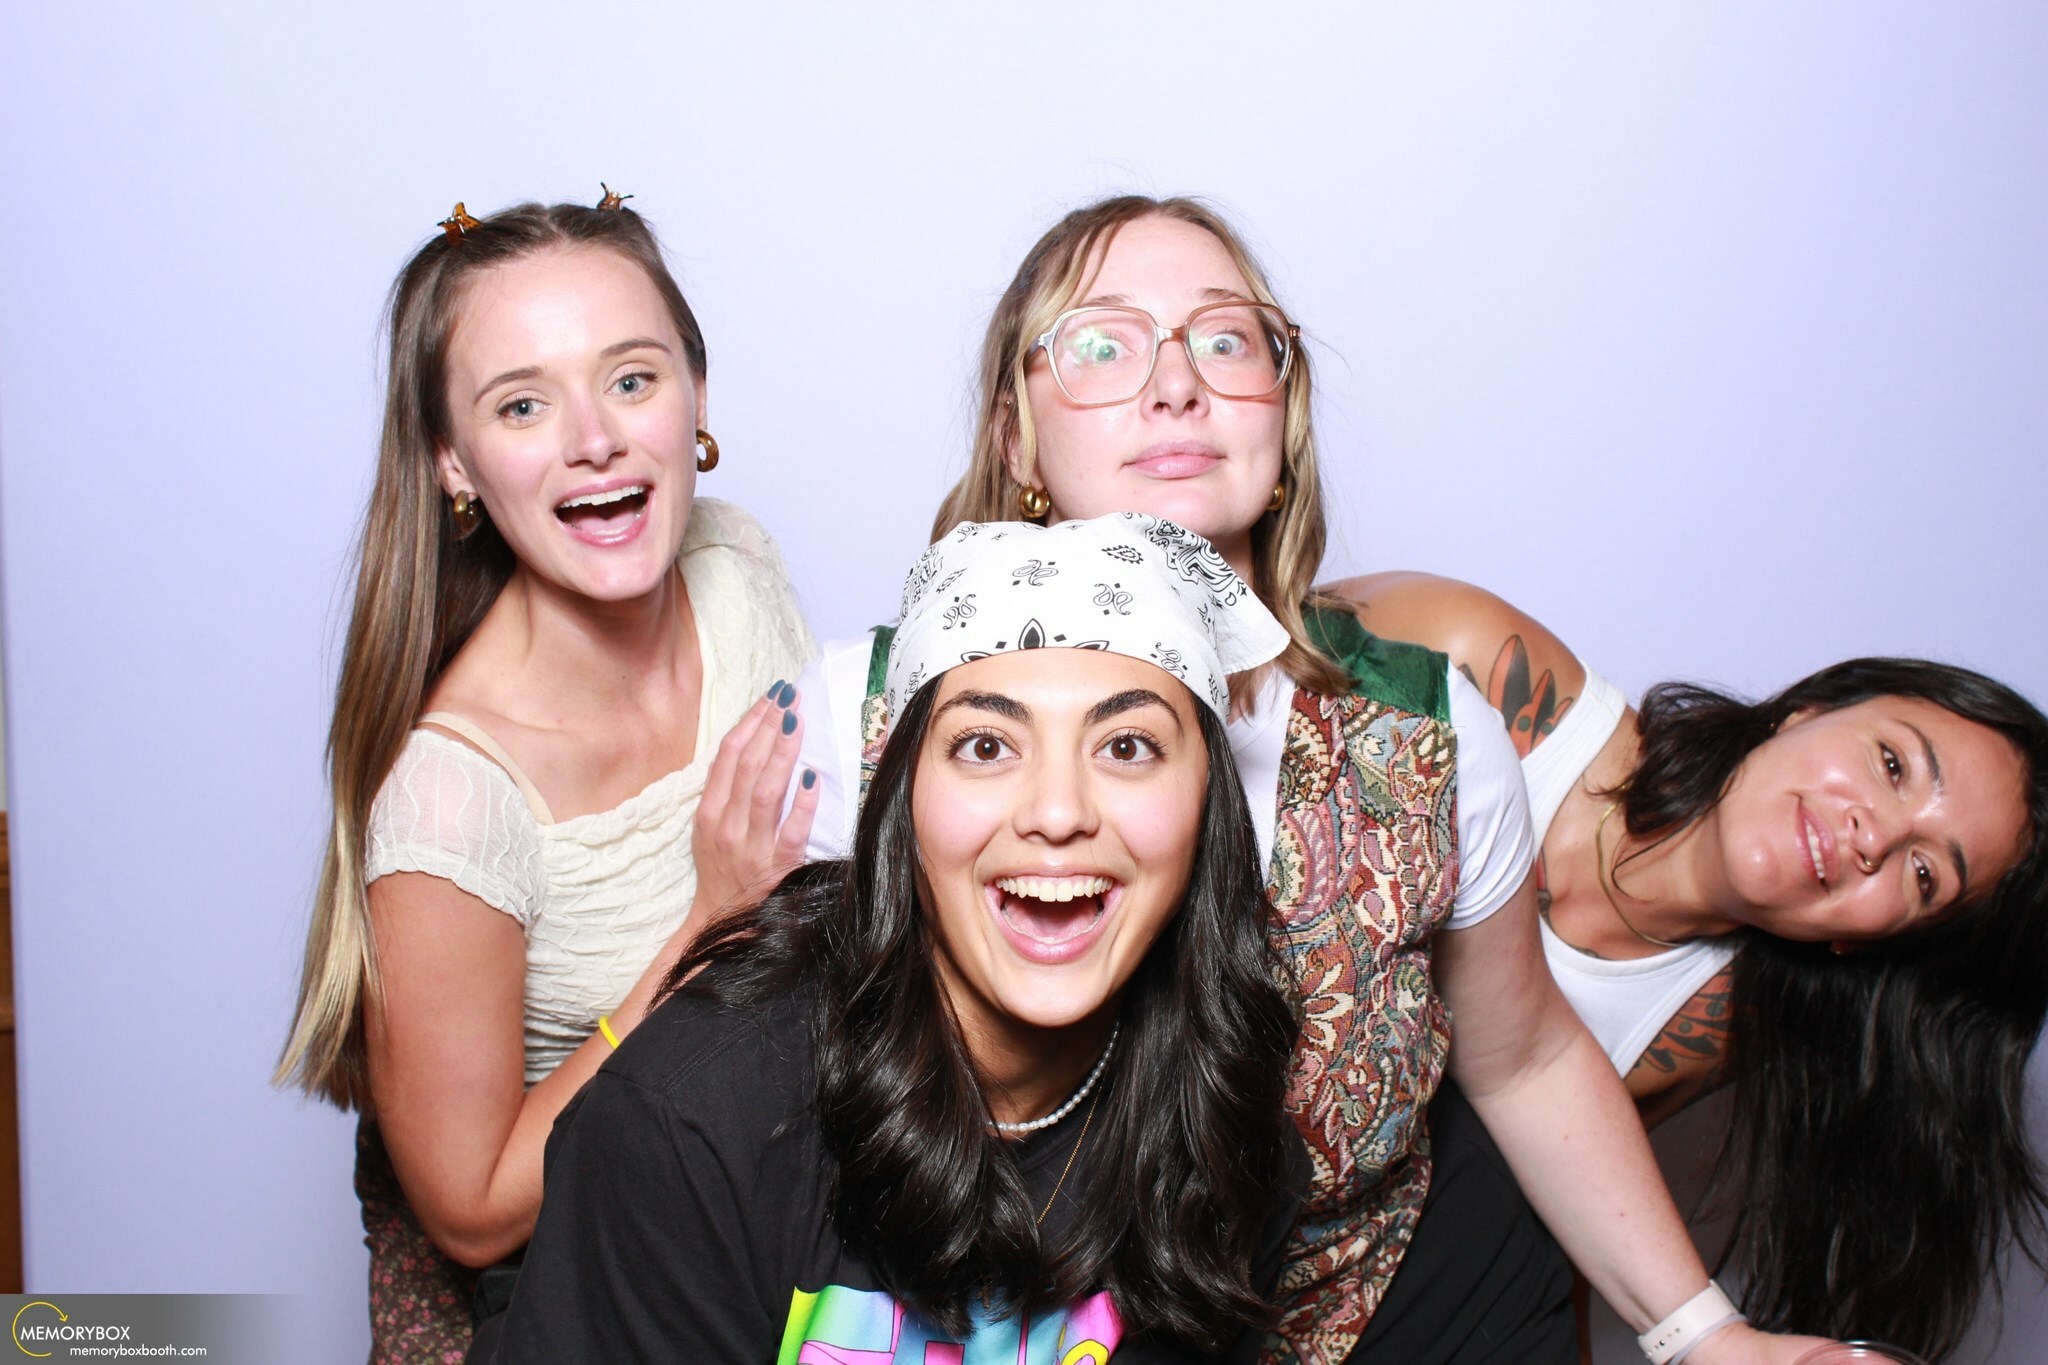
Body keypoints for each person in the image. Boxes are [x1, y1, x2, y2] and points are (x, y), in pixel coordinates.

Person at [790, 195, 1825, 1365]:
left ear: (1281, 422)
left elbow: (1525, 1057)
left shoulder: (1430, 734)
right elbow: (763, 1128)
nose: (1175, 384)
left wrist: (1705, 1336)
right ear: (1016, 439)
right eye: (1102, 344)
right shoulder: (857, 718)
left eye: (1225, 340)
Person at [474, 514, 1306, 1363]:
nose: (1058, 812)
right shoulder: (693, 1121)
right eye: (986, 745)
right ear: (903, 805)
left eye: (1126, 746)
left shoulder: (1226, 1124)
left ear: (1209, 806)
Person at [273, 194, 816, 1363]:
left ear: (696, 396)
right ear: (453, 461)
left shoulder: (735, 565)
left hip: (797, 1217)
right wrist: (709, 925)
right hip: (609, 1288)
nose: (594, 438)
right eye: (522, 404)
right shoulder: (450, 800)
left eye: (630, 379)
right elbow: (470, 1212)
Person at [1341, 572, 2048, 1359]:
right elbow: (1225, 657)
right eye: (1892, 764)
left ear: (1870, 942)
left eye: (1923, 875)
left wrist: (1711, 1342)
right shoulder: (1473, 655)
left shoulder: (1717, 1025)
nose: (1872, 834)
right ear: (1806, 708)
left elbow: (1551, 1194)